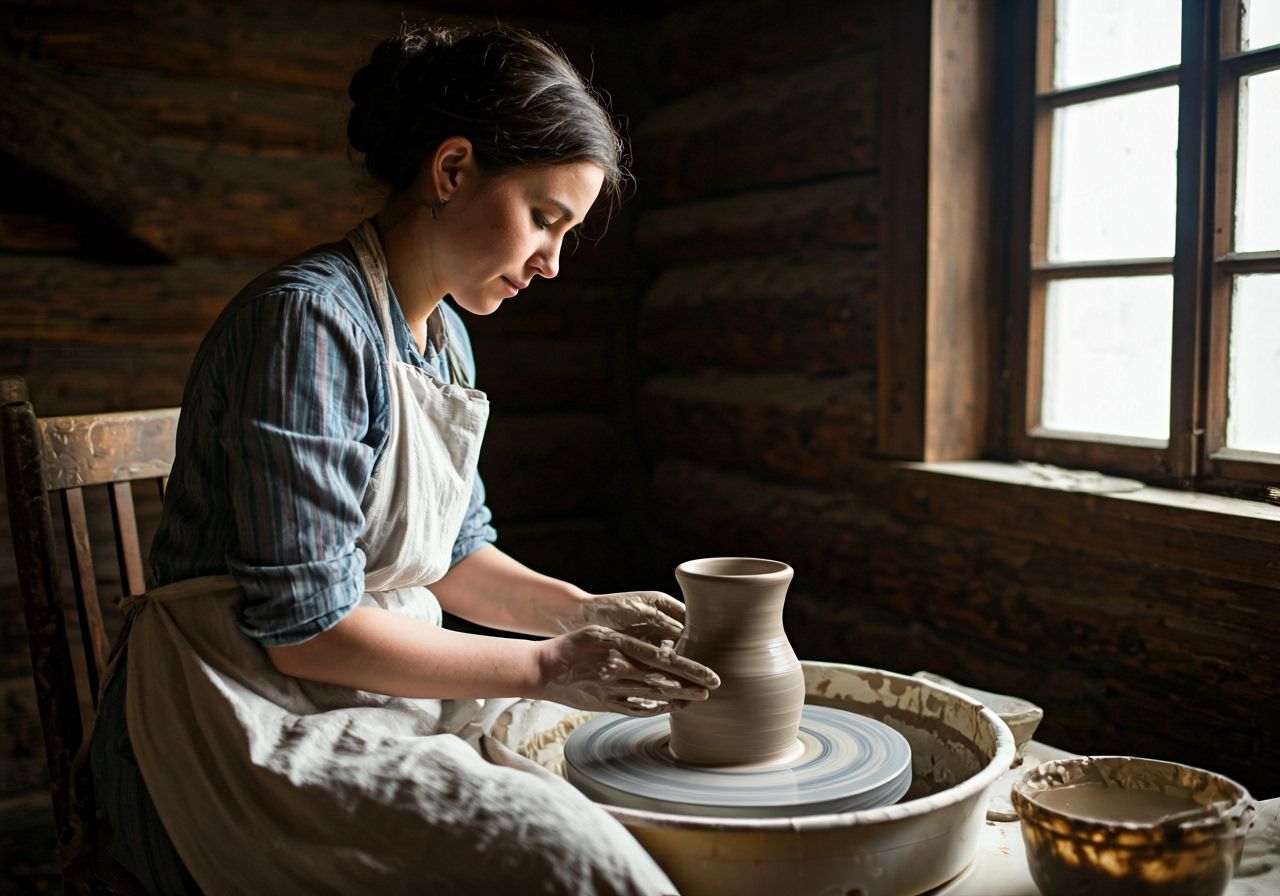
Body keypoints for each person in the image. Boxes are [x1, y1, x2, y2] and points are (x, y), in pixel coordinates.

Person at [88, 23, 719, 895]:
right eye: (544, 219)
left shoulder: (444, 336)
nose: (553, 263)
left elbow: (455, 555)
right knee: (577, 858)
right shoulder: (308, 324)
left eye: (568, 233)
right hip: (241, 711)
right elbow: (306, 631)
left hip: (372, 683)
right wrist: (545, 662)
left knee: (597, 775)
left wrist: (581, 614)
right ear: (453, 169)